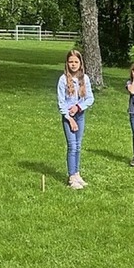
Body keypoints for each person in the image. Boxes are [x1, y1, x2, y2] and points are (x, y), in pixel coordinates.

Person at [57, 49, 94, 189]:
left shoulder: (85, 79)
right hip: (68, 117)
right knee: (72, 146)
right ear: (67, 63)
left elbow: (90, 98)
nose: (73, 64)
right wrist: (69, 118)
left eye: (76, 62)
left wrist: (78, 107)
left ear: (80, 63)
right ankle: (72, 177)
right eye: (70, 62)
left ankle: (77, 173)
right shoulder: (62, 79)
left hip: (80, 115)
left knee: (78, 145)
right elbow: (61, 102)